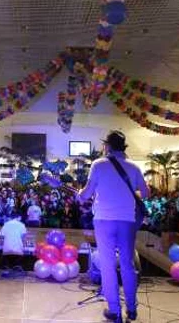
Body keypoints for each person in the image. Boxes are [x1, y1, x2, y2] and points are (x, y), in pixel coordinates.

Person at [78, 130, 149, 322]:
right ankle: (132, 308)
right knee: (127, 264)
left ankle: (115, 310)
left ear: (107, 146)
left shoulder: (99, 165)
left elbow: (86, 194)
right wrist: (127, 199)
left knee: (108, 266)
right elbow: (146, 192)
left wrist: (80, 195)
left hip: (104, 220)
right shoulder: (134, 167)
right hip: (127, 221)